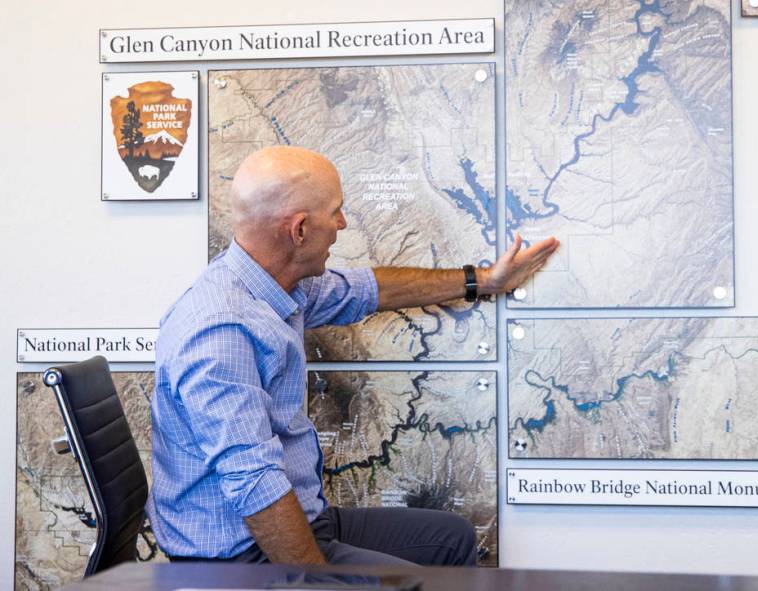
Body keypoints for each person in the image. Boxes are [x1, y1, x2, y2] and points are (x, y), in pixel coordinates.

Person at [146, 146, 559, 566]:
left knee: (452, 538)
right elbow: (255, 484)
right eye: (336, 212)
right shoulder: (219, 331)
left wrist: (484, 280)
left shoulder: (276, 285)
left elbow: (367, 289)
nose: (342, 224)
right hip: (244, 554)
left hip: (305, 519)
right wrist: (323, 584)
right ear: (300, 230)